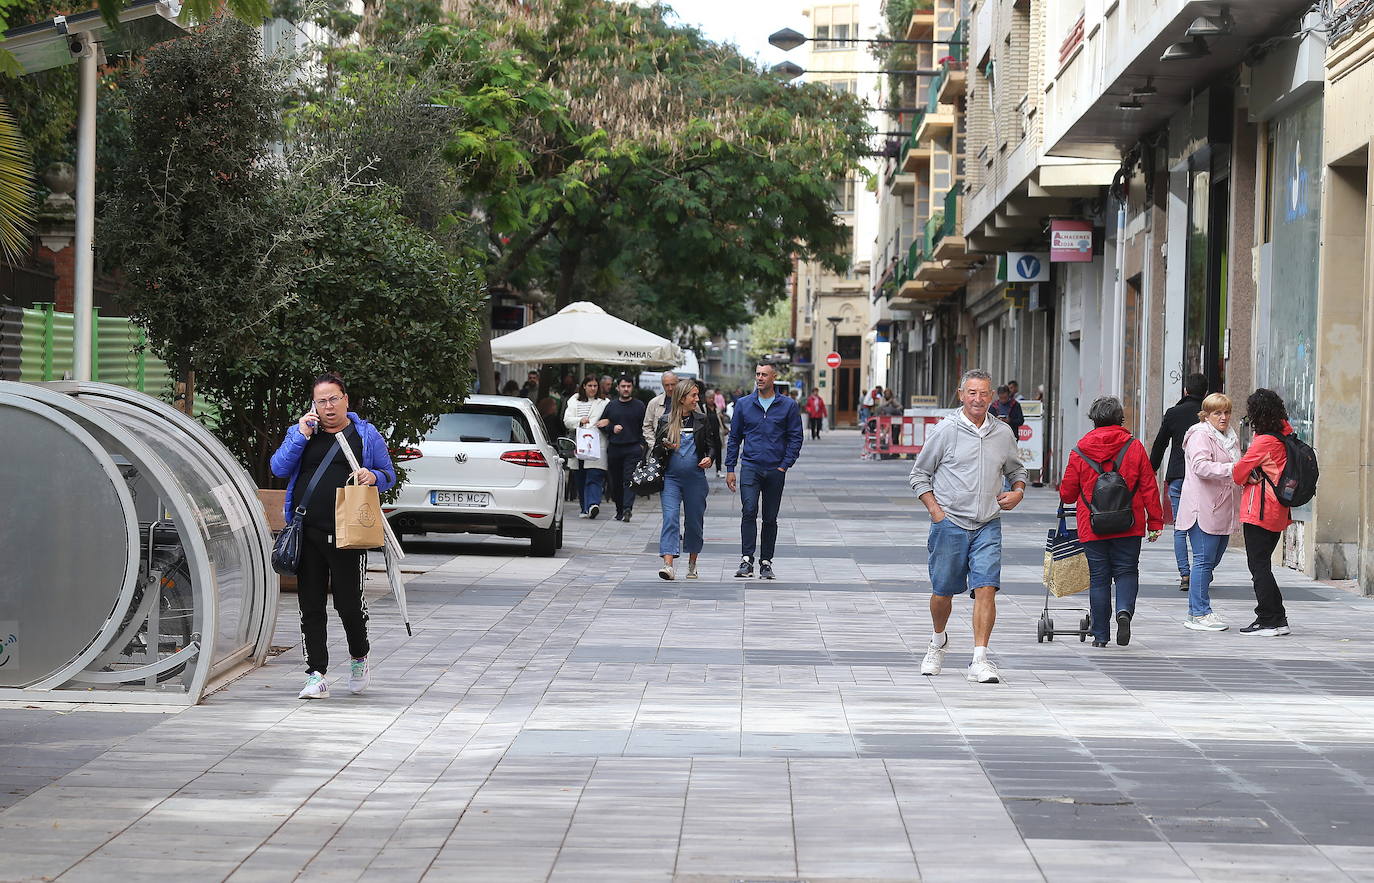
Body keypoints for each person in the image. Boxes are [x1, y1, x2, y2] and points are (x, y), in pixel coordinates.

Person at [269, 372, 395, 700]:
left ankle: (359, 656)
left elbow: (389, 475)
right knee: (310, 605)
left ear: (345, 400)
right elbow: (279, 468)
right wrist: (299, 433)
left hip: (348, 533)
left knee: (348, 604)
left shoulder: (365, 435)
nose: (328, 406)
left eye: (333, 399)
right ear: (314, 404)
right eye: (321, 401)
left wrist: (374, 476)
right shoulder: (303, 434)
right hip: (306, 531)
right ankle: (316, 674)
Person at [909, 369, 1027, 684]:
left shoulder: (1002, 433)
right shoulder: (944, 431)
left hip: (988, 523)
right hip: (950, 523)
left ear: (992, 397)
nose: (978, 399)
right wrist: (936, 511)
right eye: (971, 393)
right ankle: (938, 641)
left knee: (986, 588)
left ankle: (980, 658)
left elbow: (1017, 469)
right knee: (942, 593)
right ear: (961, 395)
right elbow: (919, 475)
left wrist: (1017, 491)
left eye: (983, 393)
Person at [1058, 396, 1163, 647]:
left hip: (1092, 525)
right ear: (1120, 418)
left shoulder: (1080, 450)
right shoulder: (1134, 447)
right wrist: (1155, 522)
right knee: (1127, 570)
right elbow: (1149, 486)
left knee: (1099, 577)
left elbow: (1067, 494)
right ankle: (1124, 611)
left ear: (1093, 420)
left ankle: (1101, 635)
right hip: (1130, 522)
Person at [725, 362, 803, 579]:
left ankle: (766, 562)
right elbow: (734, 438)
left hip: (775, 469)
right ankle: (746, 560)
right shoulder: (743, 404)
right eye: (757, 374)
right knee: (749, 510)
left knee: (770, 517)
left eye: (764, 375)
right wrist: (730, 467)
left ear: (773, 377)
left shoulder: (788, 405)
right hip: (750, 466)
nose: (760, 378)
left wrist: (784, 465)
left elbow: (795, 437)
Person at [1174, 393, 1242, 632]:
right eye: (1217, 413)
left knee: (1211, 561)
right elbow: (1200, 467)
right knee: (1203, 561)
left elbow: (1237, 467)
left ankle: (1197, 610)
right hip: (1202, 508)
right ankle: (1199, 613)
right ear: (1206, 414)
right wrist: (1233, 469)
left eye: (1226, 412)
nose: (1223, 417)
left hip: (1222, 508)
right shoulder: (1200, 435)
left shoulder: (1230, 437)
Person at [1231, 389, 1295, 636]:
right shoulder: (1285, 434)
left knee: (1258, 566)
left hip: (1260, 510)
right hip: (1278, 509)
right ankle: (1277, 617)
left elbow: (1238, 474)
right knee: (1262, 565)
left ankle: (1269, 619)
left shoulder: (1264, 441)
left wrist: (1249, 473)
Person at [654, 380, 721, 580]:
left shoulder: (702, 419)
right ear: (682, 398)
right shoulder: (666, 421)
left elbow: (712, 444)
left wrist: (710, 458)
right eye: (693, 395)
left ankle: (692, 563)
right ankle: (668, 565)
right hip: (671, 479)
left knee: (694, 522)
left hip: (695, 480)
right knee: (670, 519)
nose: (696, 399)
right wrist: (666, 446)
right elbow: (655, 451)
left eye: (697, 395)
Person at [1150, 373, 1209, 592]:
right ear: (1205, 393)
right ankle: (1203, 571)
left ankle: (1185, 574)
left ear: (1185, 391)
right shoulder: (1208, 415)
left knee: (1180, 528)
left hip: (1178, 476)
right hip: (1202, 478)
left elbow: (1160, 445)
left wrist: (1150, 471)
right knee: (1205, 526)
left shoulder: (1173, 413)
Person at [563, 375, 610, 519]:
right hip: (579, 443)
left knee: (595, 475)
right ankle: (584, 507)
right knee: (580, 476)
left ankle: (593, 504)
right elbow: (567, 420)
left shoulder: (604, 402)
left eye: (595, 386)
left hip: (596, 443)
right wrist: (579, 420)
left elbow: (611, 417)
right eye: (590, 385)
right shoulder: (574, 400)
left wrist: (608, 421)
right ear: (584, 386)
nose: (593, 388)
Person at [601, 375, 647, 522]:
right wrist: (612, 428)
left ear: (632, 388)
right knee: (615, 481)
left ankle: (628, 509)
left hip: (633, 448)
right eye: (623, 386)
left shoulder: (639, 406)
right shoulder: (611, 406)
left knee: (629, 479)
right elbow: (601, 425)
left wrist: (641, 444)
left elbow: (646, 426)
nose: (626, 389)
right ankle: (619, 509)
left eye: (628, 386)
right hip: (614, 448)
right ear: (618, 388)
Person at [642, 371, 680, 447]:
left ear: (678, 383)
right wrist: (654, 445)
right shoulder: (654, 403)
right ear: (662, 385)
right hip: (660, 448)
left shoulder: (687, 401)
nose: (670, 388)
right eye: (667, 385)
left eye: (673, 384)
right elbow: (647, 427)